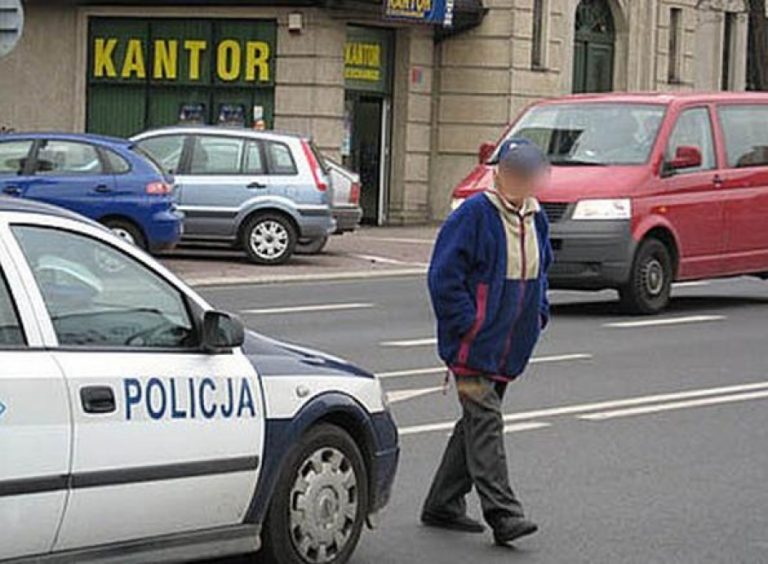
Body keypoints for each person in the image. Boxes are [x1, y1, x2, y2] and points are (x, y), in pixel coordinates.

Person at [420, 137, 553, 546]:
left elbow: (543, 269)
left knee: (475, 427)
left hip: (508, 345)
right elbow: (442, 277)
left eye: (527, 173)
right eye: (513, 171)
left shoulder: (536, 217)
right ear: (497, 172)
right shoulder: (475, 214)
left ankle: (442, 503)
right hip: (472, 346)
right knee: (487, 423)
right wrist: (467, 324)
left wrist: (539, 312)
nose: (519, 180)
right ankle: (504, 514)